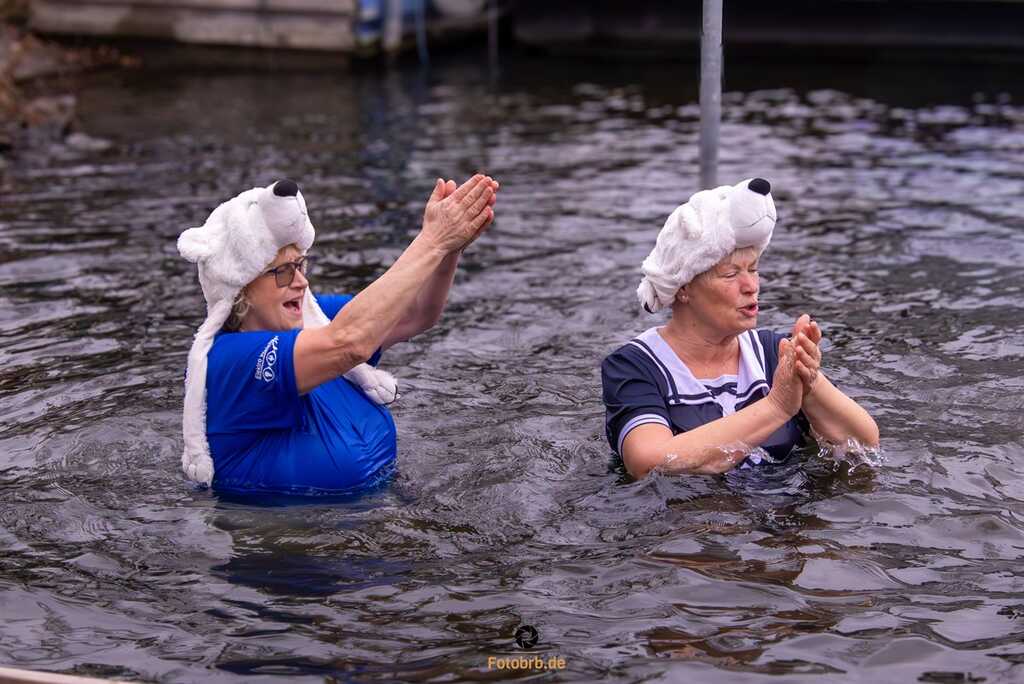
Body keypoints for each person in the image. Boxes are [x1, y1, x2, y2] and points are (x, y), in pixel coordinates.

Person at [177, 174, 499, 494]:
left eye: (300, 266)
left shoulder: (315, 317)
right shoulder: (227, 361)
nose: (301, 282)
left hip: (382, 511)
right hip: (298, 527)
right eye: (283, 272)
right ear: (240, 289)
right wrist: (433, 241)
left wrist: (448, 249)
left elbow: (416, 313)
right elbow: (351, 342)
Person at [602, 178, 879, 479]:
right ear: (683, 288)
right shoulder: (634, 366)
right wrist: (776, 406)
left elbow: (863, 445)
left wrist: (809, 382)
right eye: (731, 274)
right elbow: (648, 463)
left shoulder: (773, 353)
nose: (751, 286)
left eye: (753, 269)